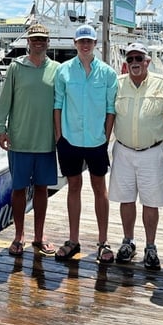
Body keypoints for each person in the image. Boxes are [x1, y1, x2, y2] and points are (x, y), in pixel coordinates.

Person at [53, 24, 117, 263]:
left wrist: (106, 137)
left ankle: (103, 241)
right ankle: (73, 239)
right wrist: (59, 135)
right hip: (69, 139)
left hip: (96, 141)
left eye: (89, 41)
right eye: (81, 41)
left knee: (100, 189)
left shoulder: (108, 73)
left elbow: (111, 110)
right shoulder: (64, 71)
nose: (85, 45)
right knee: (73, 187)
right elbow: (57, 105)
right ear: (75, 43)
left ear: (95, 44)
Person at [0, 23, 60, 257]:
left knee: (42, 189)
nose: (38, 42)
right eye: (34, 39)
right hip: (19, 141)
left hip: (46, 142)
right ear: (28, 42)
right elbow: (4, 102)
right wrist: (0, 128)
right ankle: (18, 236)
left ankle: (39, 237)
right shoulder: (15, 67)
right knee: (19, 189)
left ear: (48, 42)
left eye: (42, 38)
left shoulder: (57, 69)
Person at [109, 43, 163, 270]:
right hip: (123, 151)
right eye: (130, 59)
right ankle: (128, 241)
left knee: (151, 201)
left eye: (139, 59)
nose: (134, 63)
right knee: (126, 199)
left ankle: (151, 246)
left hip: (152, 152)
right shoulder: (117, 84)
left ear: (147, 61)